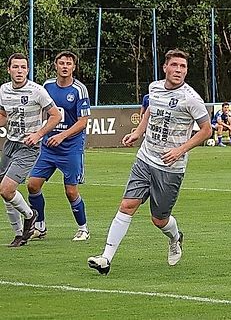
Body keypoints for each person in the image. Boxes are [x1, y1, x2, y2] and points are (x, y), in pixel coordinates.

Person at [87, 49, 212, 274]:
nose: (178, 70)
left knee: (159, 219)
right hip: (145, 158)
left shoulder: (191, 98)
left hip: (170, 166)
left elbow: (206, 130)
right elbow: (150, 112)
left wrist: (180, 150)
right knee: (127, 205)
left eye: (183, 67)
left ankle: (175, 237)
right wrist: (137, 133)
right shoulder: (154, 88)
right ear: (165, 67)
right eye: (174, 65)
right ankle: (106, 258)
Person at [27, 51, 92, 241]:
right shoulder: (46, 86)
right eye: (61, 63)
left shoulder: (79, 90)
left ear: (73, 67)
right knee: (32, 185)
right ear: (55, 65)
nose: (65, 66)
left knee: (71, 191)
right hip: (49, 146)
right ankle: (40, 226)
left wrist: (62, 136)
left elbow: (83, 121)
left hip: (71, 146)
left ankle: (83, 229)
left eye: (69, 63)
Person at [0, 53, 61, 247]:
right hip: (10, 143)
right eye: (15, 67)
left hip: (29, 146)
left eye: (23, 67)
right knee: (4, 192)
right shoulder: (3, 89)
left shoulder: (37, 91)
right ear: (8, 69)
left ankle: (30, 215)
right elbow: (3, 115)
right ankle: (20, 234)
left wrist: (38, 134)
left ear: (27, 70)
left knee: (6, 189)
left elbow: (56, 116)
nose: (19, 71)